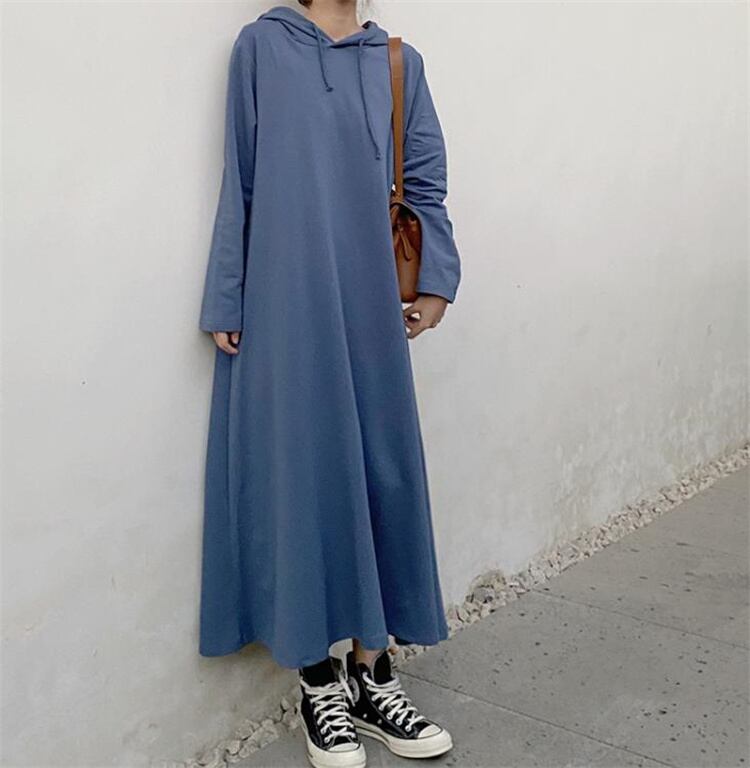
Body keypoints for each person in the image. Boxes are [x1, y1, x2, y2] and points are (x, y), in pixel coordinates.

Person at [198, 1, 461, 765]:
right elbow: (240, 179)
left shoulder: (397, 62)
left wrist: (435, 277)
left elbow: (426, 179)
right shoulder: (260, 48)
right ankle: (319, 682)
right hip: (283, 301)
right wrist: (226, 295)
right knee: (301, 474)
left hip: (371, 303)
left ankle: (374, 675)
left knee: (382, 472)